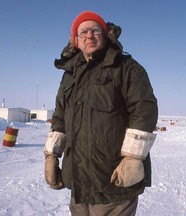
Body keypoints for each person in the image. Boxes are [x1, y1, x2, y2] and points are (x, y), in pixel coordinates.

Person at [44, 11, 158, 216]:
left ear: (105, 35)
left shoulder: (126, 68)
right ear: (75, 40)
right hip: (78, 181)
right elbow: (60, 117)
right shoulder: (70, 75)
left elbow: (144, 110)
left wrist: (133, 157)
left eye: (95, 30)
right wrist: (52, 155)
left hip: (114, 178)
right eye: (83, 32)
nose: (89, 35)